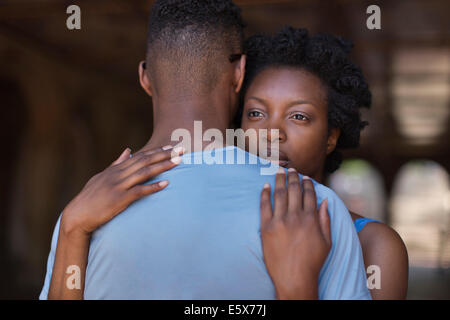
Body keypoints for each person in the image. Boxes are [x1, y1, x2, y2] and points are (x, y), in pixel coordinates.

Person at [39, 0, 370, 300]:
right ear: (239, 73)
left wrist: (71, 226)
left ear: (144, 77)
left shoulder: (84, 213)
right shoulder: (314, 208)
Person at [238, 27, 408, 299]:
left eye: (298, 116)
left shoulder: (373, 244)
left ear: (330, 137)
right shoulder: (215, 223)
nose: (272, 132)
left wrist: (298, 283)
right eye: (256, 113)